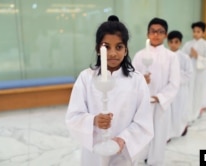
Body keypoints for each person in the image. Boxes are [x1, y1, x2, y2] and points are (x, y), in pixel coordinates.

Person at [65, 15, 154, 166]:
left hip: (123, 152)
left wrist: (123, 139)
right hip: (93, 151)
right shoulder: (86, 78)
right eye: (106, 47)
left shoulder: (137, 80)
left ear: (126, 50)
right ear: (98, 49)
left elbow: (143, 120)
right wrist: (94, 120)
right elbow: (73, 116)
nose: (112, 53)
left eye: (119, 47)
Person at [133, 17, 180, 166]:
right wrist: (142, 81)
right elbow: (131, 79)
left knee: (159, 134)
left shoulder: (171, 57)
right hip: (142, 103)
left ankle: (155, 161)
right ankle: (140, 157)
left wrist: (159, 97)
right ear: (148, 34)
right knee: (141, 133)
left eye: (160, 32)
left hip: (160, 104)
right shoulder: (139, 55)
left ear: (165, 35)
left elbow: (174, 83)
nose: (156, 35)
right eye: (153, 31)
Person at [182, 21, 206, 122]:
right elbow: (182, 57)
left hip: (200, 74)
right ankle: (187, 114)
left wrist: (197, 56)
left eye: (198, 31)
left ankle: (195, 113)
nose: (195, 33)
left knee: (198, 93)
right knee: (189, 93)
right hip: (190, 73)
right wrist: (189, 56)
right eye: (194, 31)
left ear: (203, 33)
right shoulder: (188, 44)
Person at [167, 30, 193, 139]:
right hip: (167, 89)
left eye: (176, 42)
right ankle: (168, 134)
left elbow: (189, 74)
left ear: (180, 43)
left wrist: (176, 77)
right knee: (169, 113)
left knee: (180, 110)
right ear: (168, 43)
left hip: (180, 89)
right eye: (171, 42)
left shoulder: (184, 57)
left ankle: (181, 128)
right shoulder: (165, 55)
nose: (173, 44)